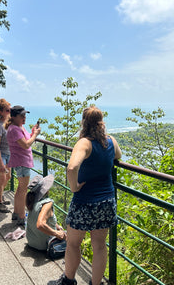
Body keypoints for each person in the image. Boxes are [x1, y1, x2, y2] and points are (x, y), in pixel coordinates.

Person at [53, 106, 122, 285]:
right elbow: (118, 156)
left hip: (85, 202)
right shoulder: (111, 141)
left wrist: (74, 187)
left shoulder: (84, 143)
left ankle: (68, 281)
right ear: (102, 122)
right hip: (106, 201)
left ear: (84, 122)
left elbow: (71, 168)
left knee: (73, 244)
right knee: (99, 246)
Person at [5, 105, 40, 226]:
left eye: (25, 115)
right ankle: (21, 217)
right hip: (21, 162)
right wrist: (35, 135)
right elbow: (25, 145)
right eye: (21, 116)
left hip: (21, 161)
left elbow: (26, 139)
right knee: (23, 190)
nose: (24, 117)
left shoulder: (18, 127)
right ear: (13, 117)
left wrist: (32, 132)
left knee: (20, 189)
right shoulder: (14, 129)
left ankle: (16, 213)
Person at [25, 174, 66, 251]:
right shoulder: (47, 203)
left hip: (31, 242)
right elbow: (40, 224)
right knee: (72, 238)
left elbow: (43, 216)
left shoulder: (32, 201)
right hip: (45, 245)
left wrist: (56, 226)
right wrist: (57, 233)